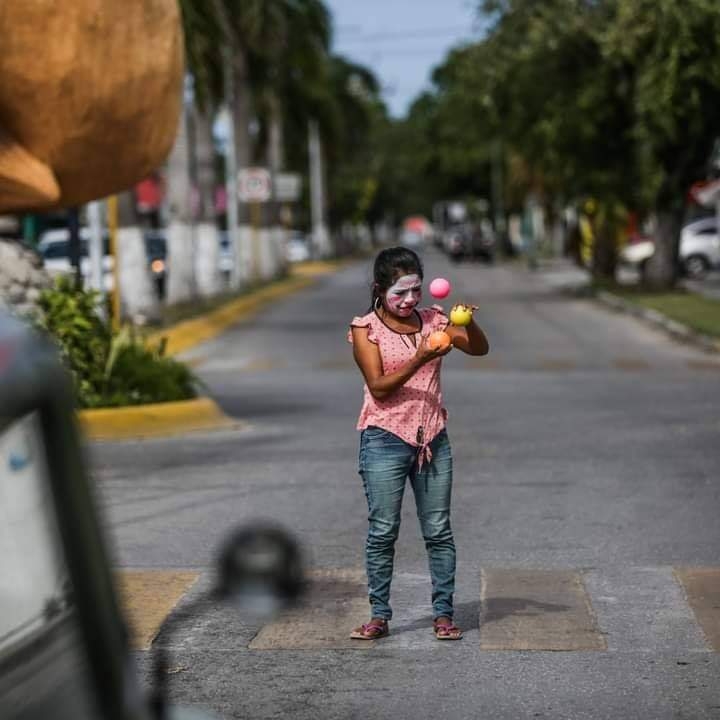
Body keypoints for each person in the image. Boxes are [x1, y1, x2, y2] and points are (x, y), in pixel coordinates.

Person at [347, 247, 489, 641]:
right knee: (383, 531)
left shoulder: (435, 321)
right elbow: (379, 387)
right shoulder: (365, 328)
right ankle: (379, 615)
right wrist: (422, 356)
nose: (410, 300)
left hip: (433, 440)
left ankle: (443, 614)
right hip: (384, 440)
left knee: (439, 531)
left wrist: (469, 323)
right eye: (400, 293)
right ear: (380, 290)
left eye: (416, 291)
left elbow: (478, 348)